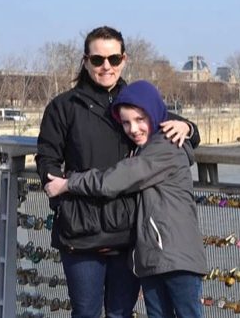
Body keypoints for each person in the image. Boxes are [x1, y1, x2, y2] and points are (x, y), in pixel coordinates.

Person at [36, 26, 200, 318]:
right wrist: (65, 206)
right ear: (85, 61)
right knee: (85, 312)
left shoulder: (134, 105)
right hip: (81, 232)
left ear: (124, 59)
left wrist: (189, 127)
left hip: (128, 234)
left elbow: (167, 124)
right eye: (98, 60)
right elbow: (47, 161)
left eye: (113, 59)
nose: (106, 66)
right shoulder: (63, 107)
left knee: (120, 313)